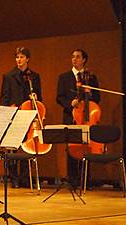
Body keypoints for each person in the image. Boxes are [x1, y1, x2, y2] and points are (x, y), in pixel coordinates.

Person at [56, 49, 100, 189]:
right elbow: (60, 97)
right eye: (73, 57)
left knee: (86, 149)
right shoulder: (64, 77)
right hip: (71, 117)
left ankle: (86, 180)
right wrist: (71, 104)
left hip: (87, 118)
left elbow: (97, 98)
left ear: (84, 60)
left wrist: (89, 94)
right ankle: (73, 180)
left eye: (78, 57)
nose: (74, 59)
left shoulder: (91, 78)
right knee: (72, 150)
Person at [0, 47, 43, 188]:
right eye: (17, 57)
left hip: (29, 116)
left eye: (22, 57)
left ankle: (24, 177)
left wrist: (35, 97)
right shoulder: (8, 76)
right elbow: (4, 98)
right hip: (14, 114)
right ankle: (13, 178)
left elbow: (40, 98)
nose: (19, 60)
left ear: (27, 59)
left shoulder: (34, 76)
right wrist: (7, 113)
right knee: (13, 148)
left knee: (27, 148)